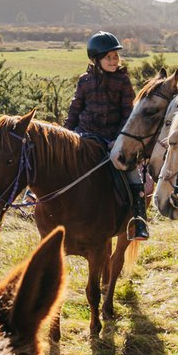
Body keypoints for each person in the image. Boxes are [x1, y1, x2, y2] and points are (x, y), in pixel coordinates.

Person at [64, 31, 149, 241]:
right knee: (61, 161)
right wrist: (66, 133)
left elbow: (128, 114)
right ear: (96, 59)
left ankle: (140, 221)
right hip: (84, 135)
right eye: (108, 57)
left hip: (112, 138)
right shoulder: (84, 81)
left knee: (131, 172)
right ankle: (35, 196)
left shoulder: (122, 81)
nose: (113, 61)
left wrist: (119, 139)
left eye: (115, 56)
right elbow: (75, 109)